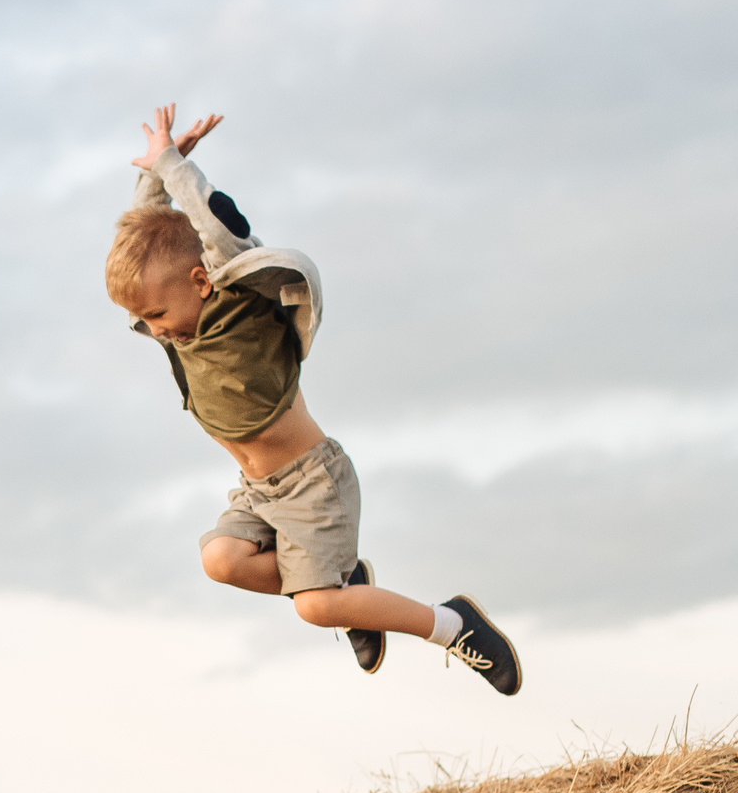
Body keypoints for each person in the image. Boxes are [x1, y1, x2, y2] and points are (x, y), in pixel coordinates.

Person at [108, 105, 521, 694]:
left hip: (313, 482)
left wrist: (176, 168)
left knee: (314, 607)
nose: (152, 329)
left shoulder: (236, 300)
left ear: (201, 282)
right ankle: (345, 584)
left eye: (155, 314)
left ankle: (454, 625)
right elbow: (145, 235)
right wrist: (155, 173)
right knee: (220, 560)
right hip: (261, 492)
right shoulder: (179, 330)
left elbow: (215, 229)